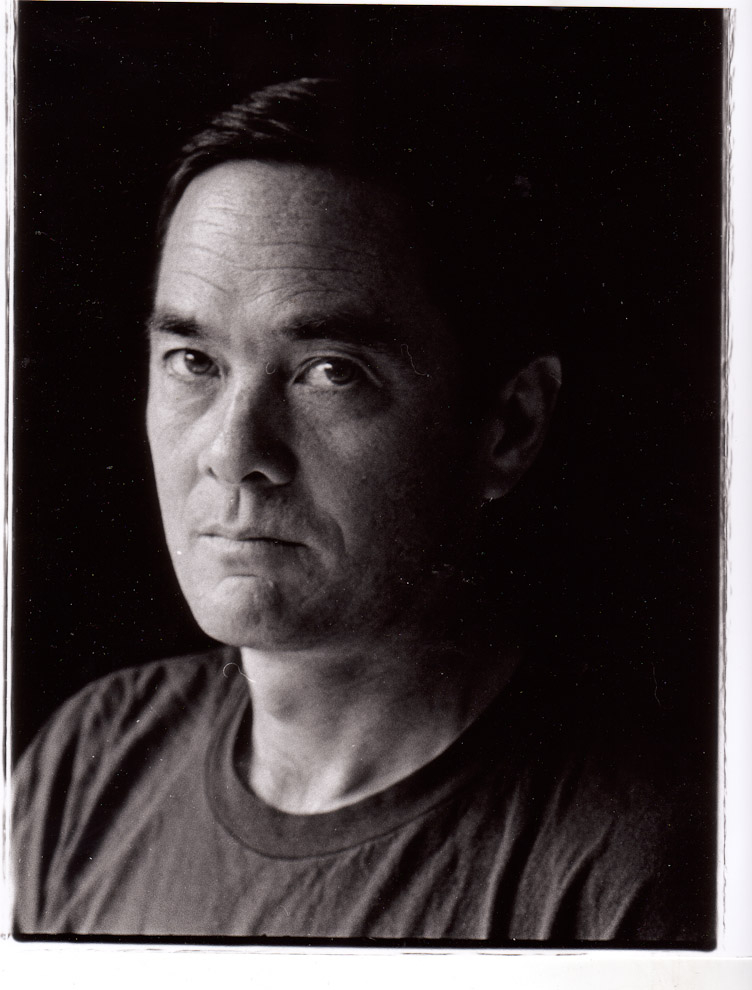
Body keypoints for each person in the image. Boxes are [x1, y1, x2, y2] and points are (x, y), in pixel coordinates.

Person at [12, 76, 710, 943]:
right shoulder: (89, 761)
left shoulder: (630, 870)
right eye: (194, 361)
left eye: (331, 372)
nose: (233, 451)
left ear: (509, 427)